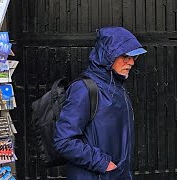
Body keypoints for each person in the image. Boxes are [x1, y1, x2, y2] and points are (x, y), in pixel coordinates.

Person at [53, 26, 147, 180]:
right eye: (126, 56)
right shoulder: (84, 89)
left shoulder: (117, 87)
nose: (131, 62)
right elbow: (64, 141)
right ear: (108, 55)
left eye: (134, 57)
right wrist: (103, 163)